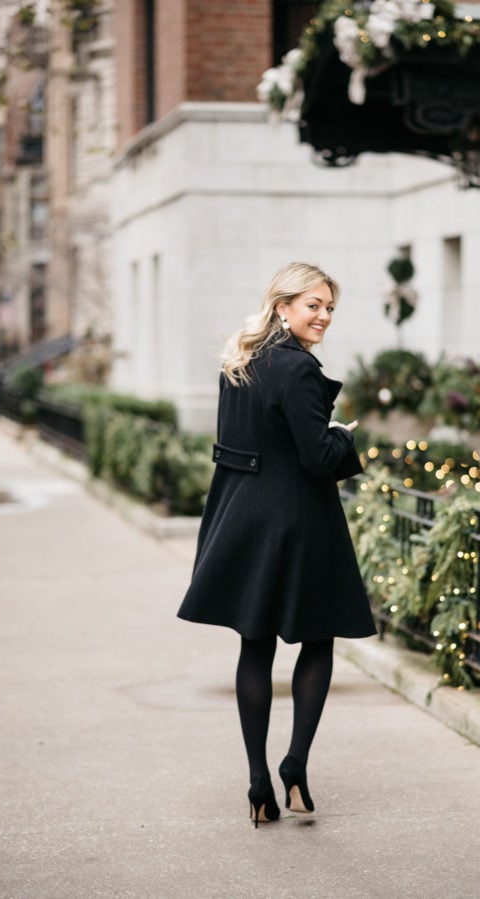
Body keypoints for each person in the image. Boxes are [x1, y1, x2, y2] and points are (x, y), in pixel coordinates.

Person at [177, 262, 376, 827]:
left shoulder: (239, 361)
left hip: (243, 519)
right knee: (317, 640)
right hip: (299, 523)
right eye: (313, 305)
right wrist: (344, 439)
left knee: (255, 645)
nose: (324, 317)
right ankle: (294, 767)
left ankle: (258, 781)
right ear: (282, 306)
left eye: (330, 307)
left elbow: (239, 443)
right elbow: (317, 456)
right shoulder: (297, 370)